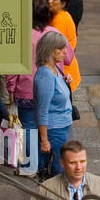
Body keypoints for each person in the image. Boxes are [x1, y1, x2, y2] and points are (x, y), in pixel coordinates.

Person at [32, 30, 74, 175]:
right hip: (55, 129)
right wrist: (44, 140)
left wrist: (64, 82)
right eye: (60, 49)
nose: (65, 52)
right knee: (60, 169)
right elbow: (42, 110)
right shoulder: (45, 75)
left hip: (63, 125)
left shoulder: (54, 69)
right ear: (50, 50)